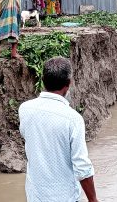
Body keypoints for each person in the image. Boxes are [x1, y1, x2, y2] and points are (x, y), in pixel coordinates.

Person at [19, 57, 98, 202]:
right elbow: (82, 167)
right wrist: (93, 200)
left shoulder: (25, 109)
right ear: (68, 84)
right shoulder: (73, 119)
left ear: (43, 80)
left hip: (35, 195)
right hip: (64, 196)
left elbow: (29, 138)